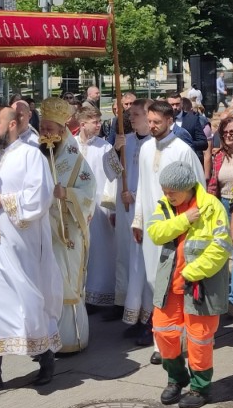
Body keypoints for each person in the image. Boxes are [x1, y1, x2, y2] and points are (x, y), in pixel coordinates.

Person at [0, 105, 62, 393]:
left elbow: (40, 198)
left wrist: (2, 201)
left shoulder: (31, 155)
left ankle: (44, 356)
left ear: (14, 124)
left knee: (26, 304)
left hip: (21, 246)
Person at [147, 161, 231, 408]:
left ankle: (201, 388)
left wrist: (192, 272)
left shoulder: (212, 207)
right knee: (163, 332)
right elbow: (156, 233)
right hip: (170, 284)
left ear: (187, 188)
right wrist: (184, 219)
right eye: (164, 190)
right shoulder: (166, 205)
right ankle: (176, 379)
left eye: (172, 191)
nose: (166, 195)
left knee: (199, 339)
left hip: (199, 285)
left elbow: (221, 247)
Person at [132, 100, 205, 362]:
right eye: (149, 122)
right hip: (154, 228)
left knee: (174, 286)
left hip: (178, 227)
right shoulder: (145, 148)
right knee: (154, 283)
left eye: (156, 122)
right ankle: (160, 340)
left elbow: (199, 188)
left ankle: (178, 341)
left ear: (169, 121)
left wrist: (191, 223)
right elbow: (141, 185)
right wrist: (138, 220)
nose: (151, 127)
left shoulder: (183, 150)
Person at [40, 98, 96, 353]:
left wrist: (68, 194)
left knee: (67, 281)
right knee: (47, 283)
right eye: (42, 128)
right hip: (44, 229)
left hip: (69, 230)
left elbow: (89, 191)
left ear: (62, 131)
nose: (45, 134)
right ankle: (49, 338)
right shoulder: (39, 155)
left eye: (50, 129)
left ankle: (72, 337)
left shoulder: (74, 160)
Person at [76, 106, 122, 313]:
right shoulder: (70, 146)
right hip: (75, 205)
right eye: (94, 122)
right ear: (82, 123)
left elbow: (115, 177)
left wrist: (111, 208)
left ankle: (100, 294)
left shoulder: (105, 147)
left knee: (100, 251)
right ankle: (81, 293)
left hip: (99, 208)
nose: (98, 125)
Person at [113, 99, 153, 330]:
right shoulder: (125, 141)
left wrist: (135, 195)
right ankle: (134, 314)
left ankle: (148, 318)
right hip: (125, 211)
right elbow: (110, 171)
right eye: (130, 115)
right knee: (129, 264)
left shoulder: (155, 144)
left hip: (145, 212)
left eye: (136, 114)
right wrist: (116, 151)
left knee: (144, 265)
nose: (131, 118)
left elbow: (155, 182)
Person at [208, 117, 233, 317]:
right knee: (222, 252)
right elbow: (213, 184)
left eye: (232, 132)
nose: (228, 135)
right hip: (221, 204)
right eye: (225, 132)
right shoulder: (218, 156)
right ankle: (227, 294)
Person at [166, 91, 209, 159]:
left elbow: (203, 143)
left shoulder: (192, 119)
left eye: (177, 104)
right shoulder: (163, 120)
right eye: (172, 104)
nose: (175, 107)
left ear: (182, 103)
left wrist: (187, 143)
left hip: (188, 159)